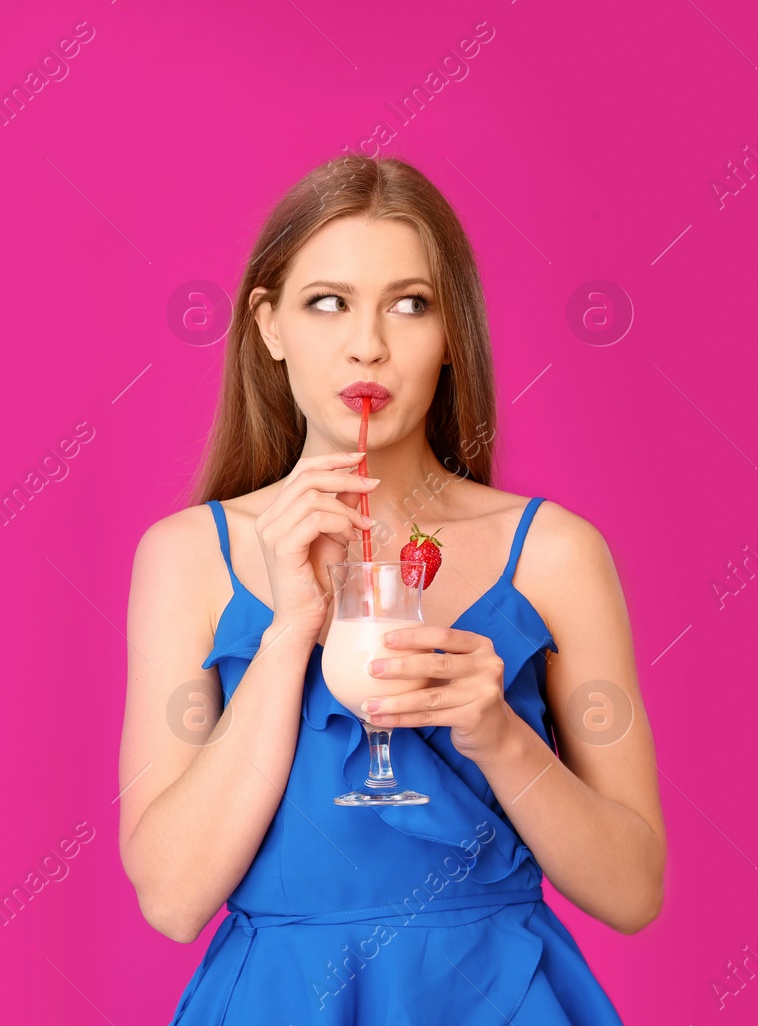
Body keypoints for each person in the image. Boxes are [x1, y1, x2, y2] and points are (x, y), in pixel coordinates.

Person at [116, 155, 664, 1023]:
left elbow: (634, 890)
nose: (367, 342)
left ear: (452, 333)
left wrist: (500, 737)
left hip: (500, 997)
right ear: (270, 326)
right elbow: (173, 899)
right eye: (326, 301)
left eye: (410, 304)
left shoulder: (555, 553)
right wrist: (293, 626)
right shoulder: (188, 557)